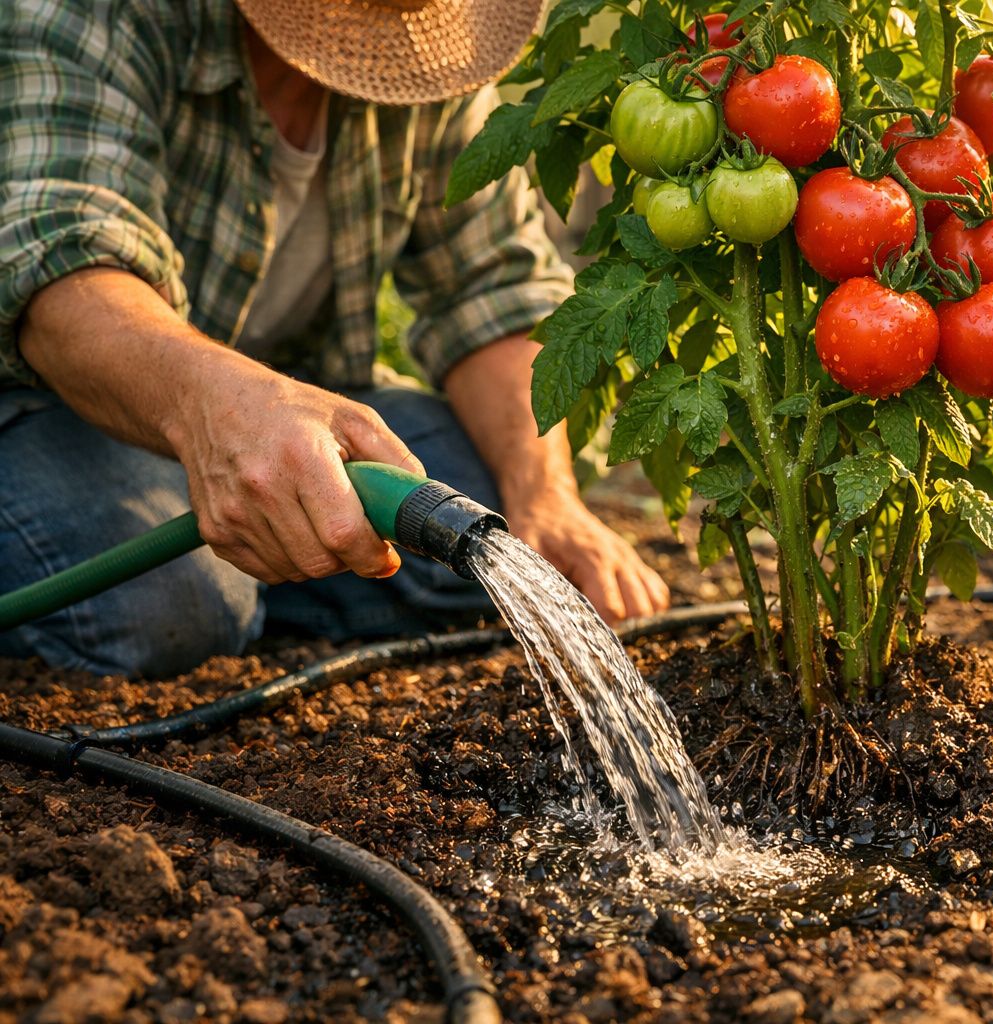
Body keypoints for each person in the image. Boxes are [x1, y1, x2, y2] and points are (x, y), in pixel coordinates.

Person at [0, 0, 669, 677]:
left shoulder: (427, 60)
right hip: (47, 408)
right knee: (164, 610)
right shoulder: (101, 14)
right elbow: (62, 278)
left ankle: (253, 573)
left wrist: (545, 496)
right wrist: (222, 412)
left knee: (488, 510)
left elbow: (487, 286)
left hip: (285, 416)